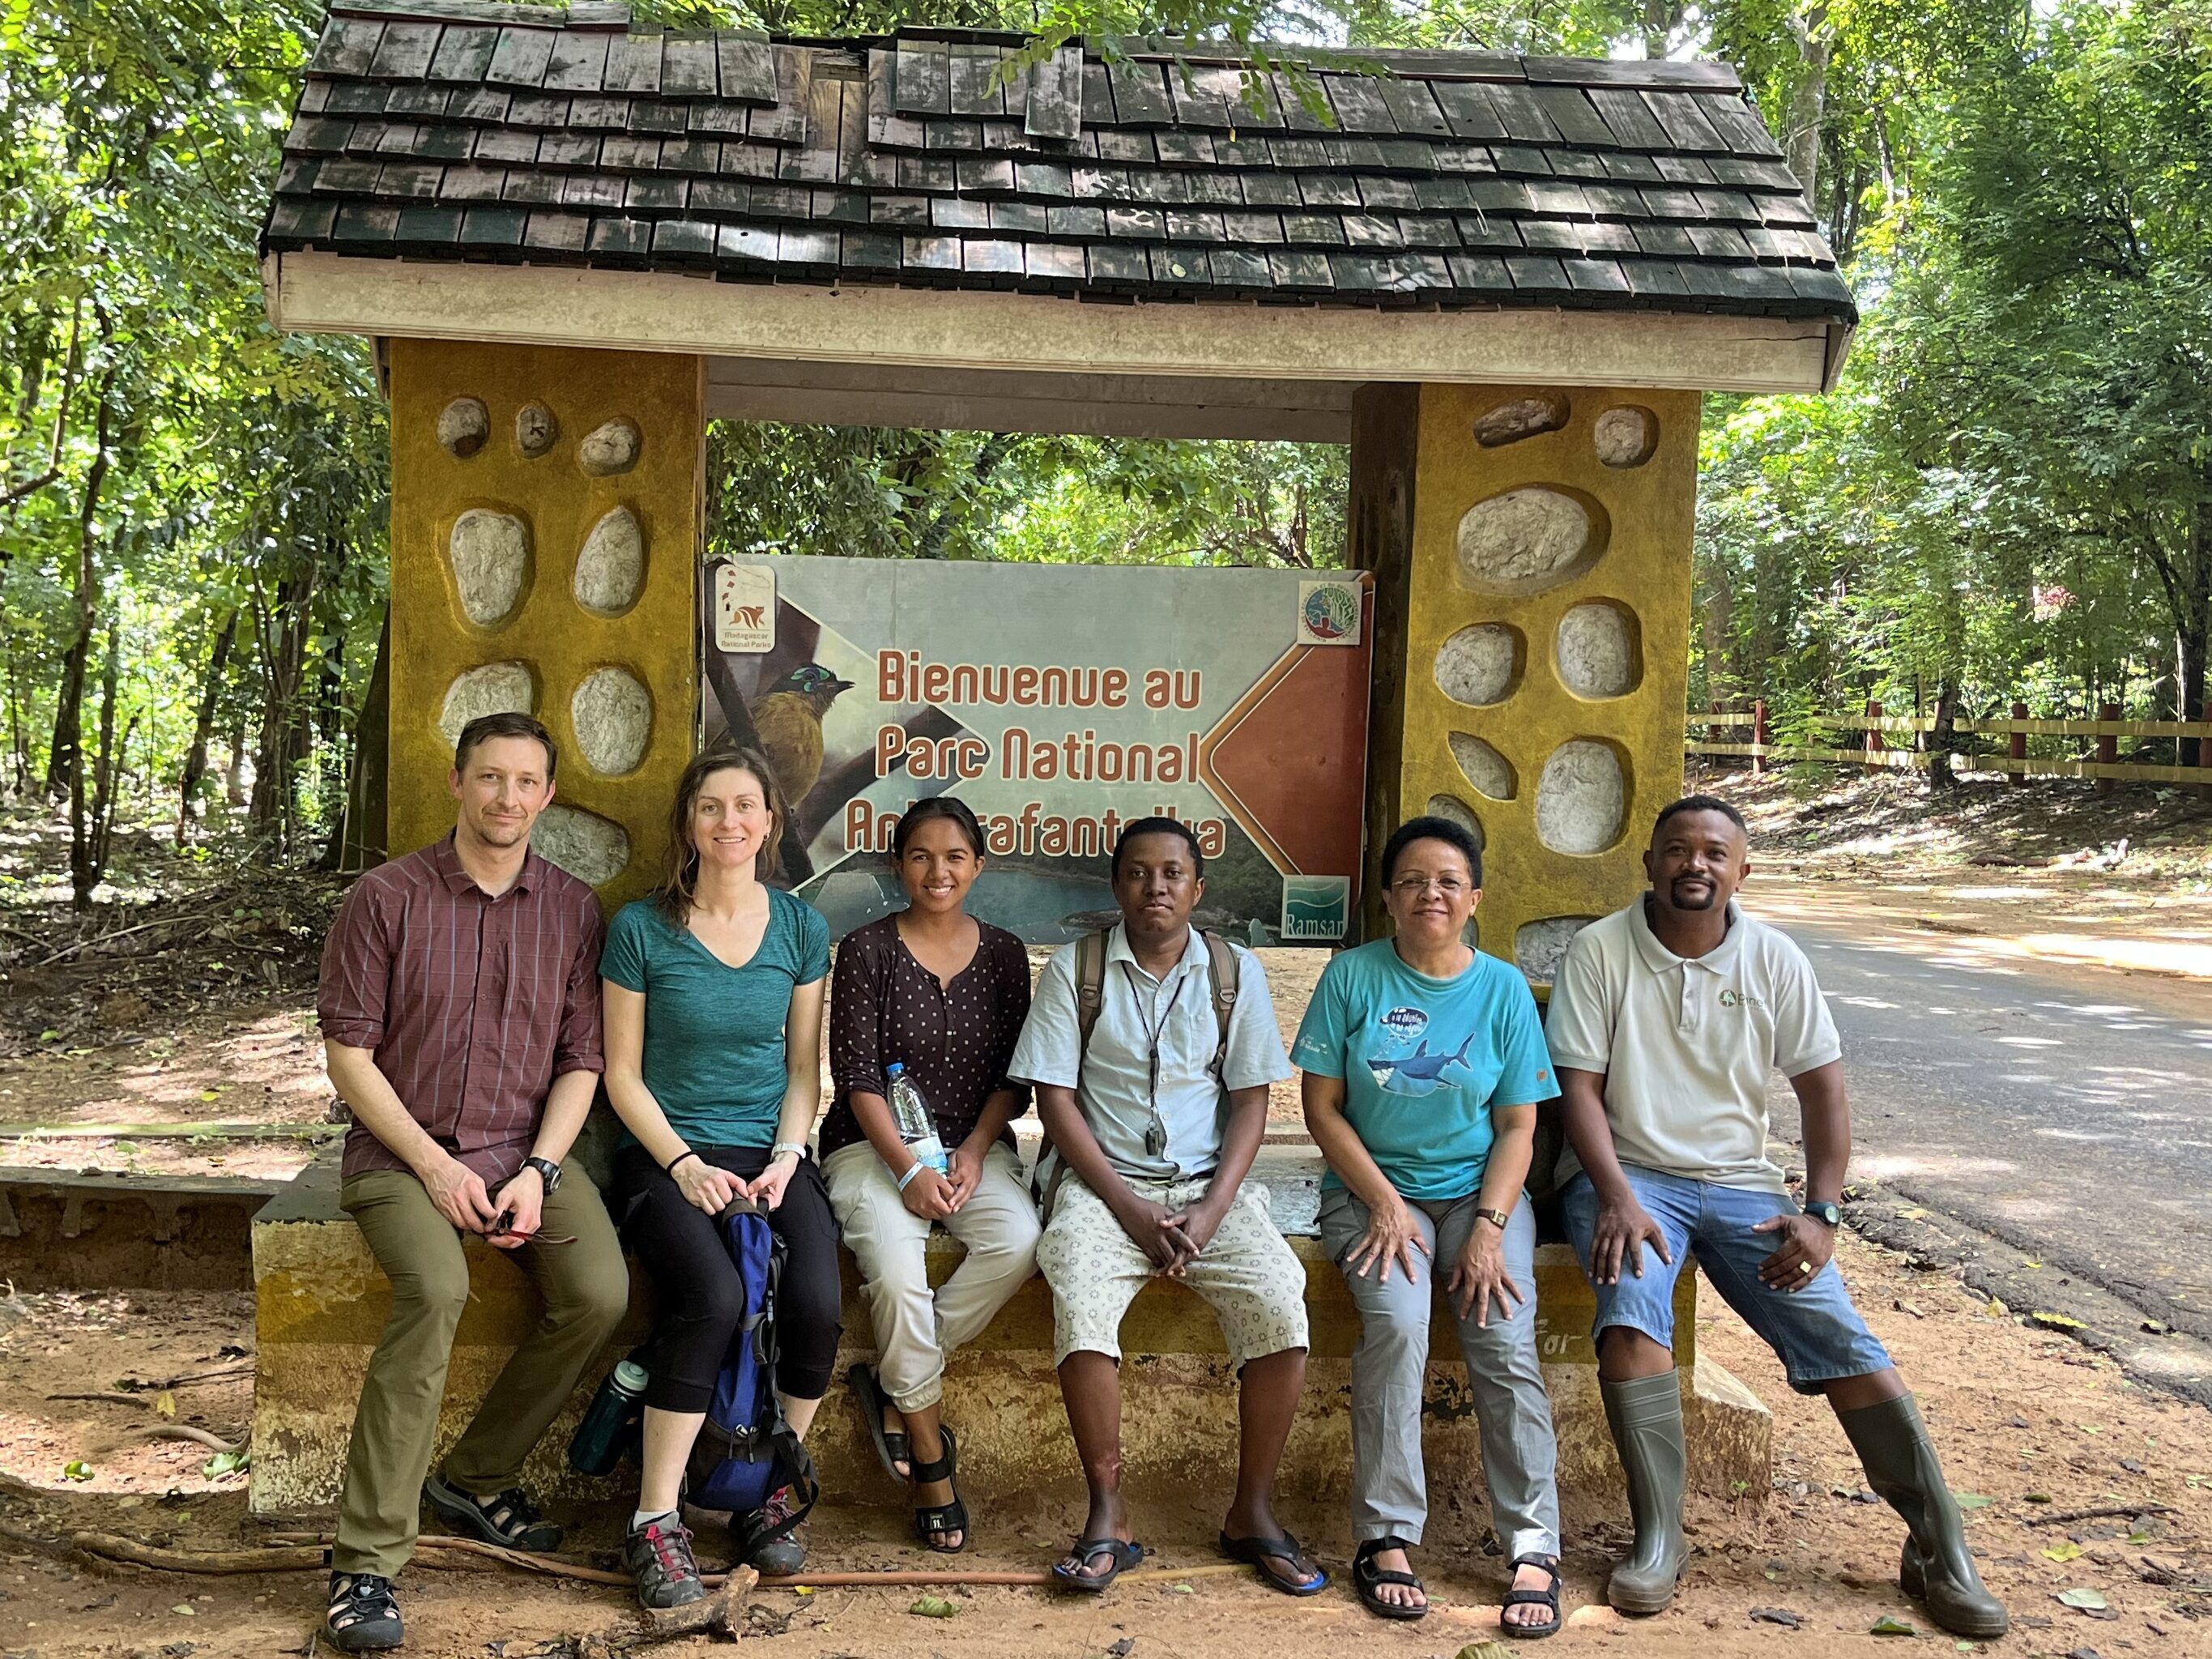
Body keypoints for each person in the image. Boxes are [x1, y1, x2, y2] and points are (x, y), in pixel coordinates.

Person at [1548, 795, 2008, 1640]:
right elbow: (1577, 1084)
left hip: (1739, 1185)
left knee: (1840, 1336)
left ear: (1741, 870)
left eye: (1715, 853)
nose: (1696, 864)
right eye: (1678, 850)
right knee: (1630, 1317)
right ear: (1648, 863)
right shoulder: (1600, 950)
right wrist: (1612, 1192)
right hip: (1627, 1174)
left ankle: (1940, 1546)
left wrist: (1822, 1210)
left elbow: (1821, 1088)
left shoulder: (1775, 958)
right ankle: (1659, 1536)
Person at [315, 712, 629, 1653]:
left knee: (600, 1291)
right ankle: (364, 1562)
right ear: (457, 783)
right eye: (489, 777)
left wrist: (539, 1168)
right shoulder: (386, 897)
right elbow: (348, 1055)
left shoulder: (573, 909)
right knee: (437, 1288)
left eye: (526, 781)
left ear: (548, 794)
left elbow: (584, 1060)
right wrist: (434, 1163)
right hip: (402, 1156)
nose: (507, 798)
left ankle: (477, 1476)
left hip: (523, 1152)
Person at [1011, 817, 1323, 1597]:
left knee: (1282, 1298)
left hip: (1208, 1190)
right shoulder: (1076, 970)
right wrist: (1127, 1208)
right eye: (1140, 874)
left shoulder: (1232, 971)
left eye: (1173, 874)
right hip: (1102, 1185)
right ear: (1117, 887)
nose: (1157, 888)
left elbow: (1252, 1101)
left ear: (1197, 889)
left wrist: (1212, 1212)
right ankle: (1108, 1513)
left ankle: (1251, 1511)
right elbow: (1054, 1101)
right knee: (1079, 1293)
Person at [1295, 814, 1564, 1631]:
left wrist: (1490, 1222)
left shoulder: (1503, 987)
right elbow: (1321, 1104)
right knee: (1397, 1323)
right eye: (1412, 880)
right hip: (1374, 1190)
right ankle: (1385, 1534)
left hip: (1478, 1192)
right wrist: (1379, 1198)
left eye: (1448, 880)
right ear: (1386, 896)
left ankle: (1533, 1541)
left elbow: (1519, 1122)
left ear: (1474, 895)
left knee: (1501, 1327)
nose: (1430, 894)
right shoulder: (1353, 977)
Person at [600, 745, 838, 1608]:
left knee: (816, 1299)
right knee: (709, 1294)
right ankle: (655, 1519)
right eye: (711, 806)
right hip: (663, 1153)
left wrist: (784, 1158)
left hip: (768, 1152)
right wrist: (683, 1163)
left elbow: (804, 1070)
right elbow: (620, 1074)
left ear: (770, 820)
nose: (729, 822)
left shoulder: (801, 927)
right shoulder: (639, 927)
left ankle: (768, 1491)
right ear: (688, 820)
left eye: (746, 805)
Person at [824, 795, 1040, 1553]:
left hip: (976, 1147)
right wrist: (909, 1167)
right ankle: (928, 1455)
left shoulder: (1007, 954)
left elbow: (1017, 1078)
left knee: (1017, 1241)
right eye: (920, 855)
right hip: (870, 1146)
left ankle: (894, 1375)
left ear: (978, 865)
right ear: (897, 865)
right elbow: (854, 1076)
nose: (937, 871)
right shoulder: (865, 950)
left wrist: (977, 1152)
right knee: (894, 1265)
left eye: (954, 856)